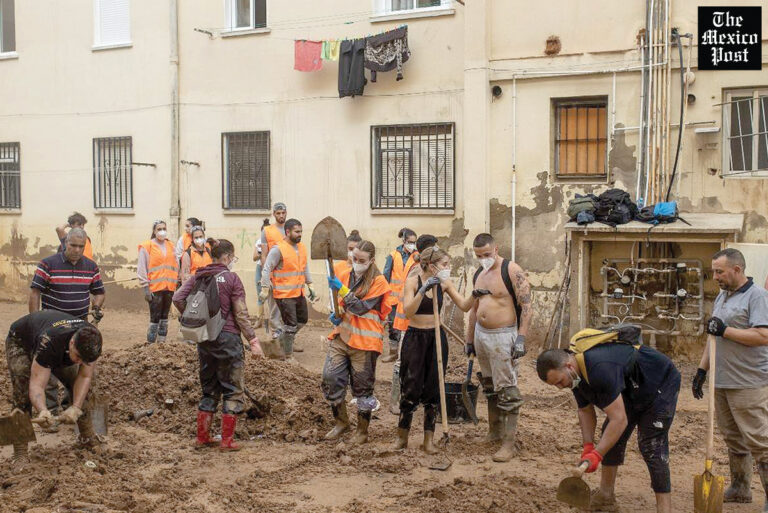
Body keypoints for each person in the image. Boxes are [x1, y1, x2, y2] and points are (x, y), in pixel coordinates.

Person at [537, 332, 681, 513]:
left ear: (568, 366)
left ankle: (664, 508)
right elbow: (585, 410)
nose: (560, 387)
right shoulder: (574, 377)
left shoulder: (599, 369)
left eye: (559, 381)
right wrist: (588, 446)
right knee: (610, 435)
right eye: (555, 385)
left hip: (659, 381)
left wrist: (597, 455)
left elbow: (619, 419)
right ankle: (606, 496)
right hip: (631, 387)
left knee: (651, 445)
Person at [693, 248, 768, 510]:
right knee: (733, 438)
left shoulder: (758, 296)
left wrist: (726, 330)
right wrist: (702, 370)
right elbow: (713, 337)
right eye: (714, 271)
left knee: (760, 441)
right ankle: (740, 488)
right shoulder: (722, 296)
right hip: (722, 380)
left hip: (749, 381)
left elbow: (763, 336)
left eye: (719, 272)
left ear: (737, 270)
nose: (715, 277)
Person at [173, 239, 263, 452]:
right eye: (233, 257)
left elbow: (177, 297)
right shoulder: (232, 278)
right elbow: (240, 313)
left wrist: (196, 318)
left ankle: (203, 437)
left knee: (209, 389)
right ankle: (227, 441)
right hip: (228, 339)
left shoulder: (199, 276)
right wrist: (253, 340)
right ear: (228, 257)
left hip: (205, 339)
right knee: (232, 389)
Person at [393, 246, 476, 453]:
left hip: (436, 337)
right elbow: (408, 311)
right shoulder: (413, 282)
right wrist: (423, 290)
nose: (448, 268)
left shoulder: (444, 283)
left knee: (434, 386)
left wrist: (475, 294)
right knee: (410, 386)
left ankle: (428, 440)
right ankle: (402, 437)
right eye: (444, 264)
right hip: (415, 338)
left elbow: (464, 305)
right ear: (431, 266)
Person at [5, 311, 103, 470]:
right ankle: (20, 452)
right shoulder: (49, 342)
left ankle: (87, 438)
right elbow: (37, 385)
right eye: (78, 357)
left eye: (84, 360)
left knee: (84, 386)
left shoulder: (92, 342)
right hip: (21, 341)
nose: (80, 362)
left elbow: (85, 377)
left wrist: (76, 407)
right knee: (22, 391)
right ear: (72, 343)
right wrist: (43, 410)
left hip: (58, 347)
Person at [467, 233, 533, 462]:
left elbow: (527, 307)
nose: (483, 259)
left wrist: (521, 338)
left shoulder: (512, 271)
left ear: (496, 249)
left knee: (506, 388)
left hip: (503, 336)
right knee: (489, 385)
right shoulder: (478, 273)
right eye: (478, 256)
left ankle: (508, 442)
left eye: (486, 254)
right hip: (481, 336)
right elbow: (474, 309)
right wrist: (469, 340)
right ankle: (494, 431)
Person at [29, 227, 105, 416]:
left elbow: (99, 292)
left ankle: (69, 410)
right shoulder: (48, 264)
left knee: (74, 367)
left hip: (77, 329)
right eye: (73, 245)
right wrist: (34, 320)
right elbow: (35, 292)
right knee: (48, 370)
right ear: (65, 243)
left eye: (81, 246)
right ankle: (50, 413)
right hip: (52, 329)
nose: (77, 250)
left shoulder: (91, 266)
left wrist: (96, 306)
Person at [324, 240, 391, 444]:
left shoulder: (379, 281)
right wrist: (335, 313)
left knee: (363, 389)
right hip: (343, 336)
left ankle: (362, 431)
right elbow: (339, 303)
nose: (357, 263)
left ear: (371, 261)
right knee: (330, 377)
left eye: (362, 260)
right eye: (354, 258)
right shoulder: (345, 274)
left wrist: (342, 290)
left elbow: (361, 308)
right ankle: (341, 422)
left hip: (366, 343)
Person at [390, 234, 438, 415]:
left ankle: (417, 397)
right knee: (402, 362)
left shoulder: (425, 268)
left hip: (420, 323)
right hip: (408, 322)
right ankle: (396, 401)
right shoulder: (415, 270)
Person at [260, 218, 317, 360]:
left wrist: (310, 284)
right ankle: (288, 356)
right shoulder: (278, 249)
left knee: (302, 320)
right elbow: (267, 268)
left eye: (301, 231)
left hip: (298, 292)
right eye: (297, 232)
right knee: (290, 325)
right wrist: (265, 288)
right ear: (287, 232)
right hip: (284, 295)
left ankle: (281, 342)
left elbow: (304, 266)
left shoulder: (301, 247)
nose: (300, 234)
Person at [137, 220, 179, 343]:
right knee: (155, 317)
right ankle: (151, 344)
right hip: (154, 288)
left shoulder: (171, 245)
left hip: (169, 287)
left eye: (164, 229)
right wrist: (146, 289)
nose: (162, 231)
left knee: (165, 317)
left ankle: (161, 343)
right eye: (159, 229)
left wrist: (177, 282)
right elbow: (142, 268)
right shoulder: (147, 246)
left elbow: (176, 264)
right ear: (154, 231)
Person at [382, 228, 419, 362]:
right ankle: (393, 352)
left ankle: (406, 353)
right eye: (410, 242)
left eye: (414, 242)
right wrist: (383, 296)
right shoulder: (393, 256)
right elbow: (385, 277)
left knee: (408, 326)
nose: (412, 245)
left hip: (409, 297)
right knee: (393, 326)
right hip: (393, 298)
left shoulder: (417, 256)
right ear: (403, 241)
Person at [260, 203, 288, 339]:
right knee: (274, 307)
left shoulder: (291, 229)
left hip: (289, 276)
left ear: (286, 213)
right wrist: (266, 277)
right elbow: (264, 255)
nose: (281, 215)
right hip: (274, 275)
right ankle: (276, 335)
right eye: (278, 213)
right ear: (274, 214)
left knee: (289, 308)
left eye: (283, 213)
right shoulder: (267, 231)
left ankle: (288, 339)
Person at [252, 218, 271, 328]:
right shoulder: (259, 241)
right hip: (260, 268)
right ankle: (259, 320)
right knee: (261, 294)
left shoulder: (274, 241)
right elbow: (254, 257)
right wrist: (262, 254)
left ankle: (273, 320)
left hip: (271, 269)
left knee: (273, 295)